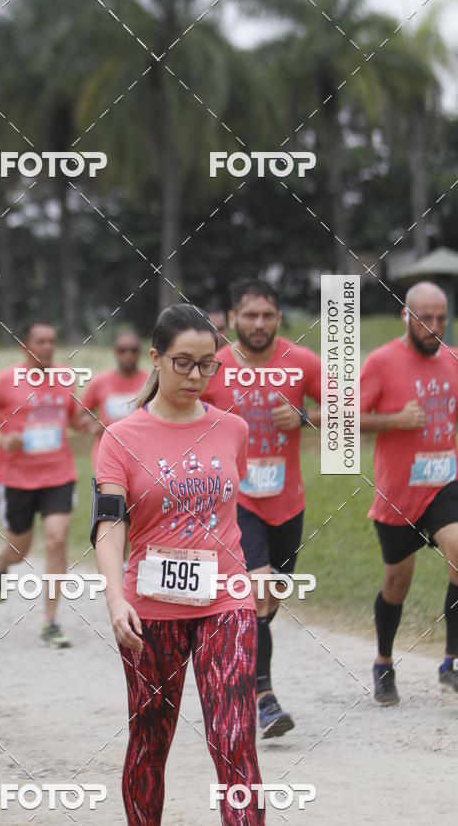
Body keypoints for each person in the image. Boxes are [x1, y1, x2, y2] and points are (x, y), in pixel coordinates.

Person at [94, 304, 264, 826]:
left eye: (207, 364)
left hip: (226, 600)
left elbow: (239, 509)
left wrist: (258, 568)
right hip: (150, 608)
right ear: (156, 358)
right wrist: (115, 598)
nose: (195, 376)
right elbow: (108, 523)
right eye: (183, 363)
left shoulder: (233, 429)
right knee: (150, 739)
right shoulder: (121, 438)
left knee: (233, 736)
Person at [202, 277, 321, 738]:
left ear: (277, 318)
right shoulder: (214, 366)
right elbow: (175, 408)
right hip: (238, 502)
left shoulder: (300, 362)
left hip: (289, 504)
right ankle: (265, 699)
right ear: (233, 318)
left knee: (265, 605)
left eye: (267, 315)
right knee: (258, 590)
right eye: (249, 315)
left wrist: (307, 417)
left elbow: (347, 405)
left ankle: (234, 665)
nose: (259, 323)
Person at [360, 281, 458, 704]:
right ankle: (383, 662)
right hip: (398, 492)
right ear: (406, 315)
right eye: (425, 318)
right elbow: (349, 418)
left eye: (441, 318)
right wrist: (396, 420)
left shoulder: (454, 361)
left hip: (445, 485)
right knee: (397, 583)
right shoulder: (381, 362)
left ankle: (451, 661)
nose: (434, 326)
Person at [0, 322, 88, 648]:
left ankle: (50, 621)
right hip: (16, 478)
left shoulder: (65, 378)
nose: (47, 347)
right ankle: (1, 564)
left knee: (57, 540)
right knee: (19, 551)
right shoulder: (6, 380)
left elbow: (74, 418)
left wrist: (92, 424)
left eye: (52, 341)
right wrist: (3, 439)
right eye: (40, 341)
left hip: (58, 475)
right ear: (24, 345)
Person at [80, 331, 148, 472]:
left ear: (139, 353)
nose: (128, 354)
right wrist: (91, 424)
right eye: (122, 350)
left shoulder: (151, 383)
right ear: (115, 352)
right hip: (106, 455)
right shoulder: (100, 382)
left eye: (133, 350)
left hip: (143, 457)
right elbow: (83, 412)